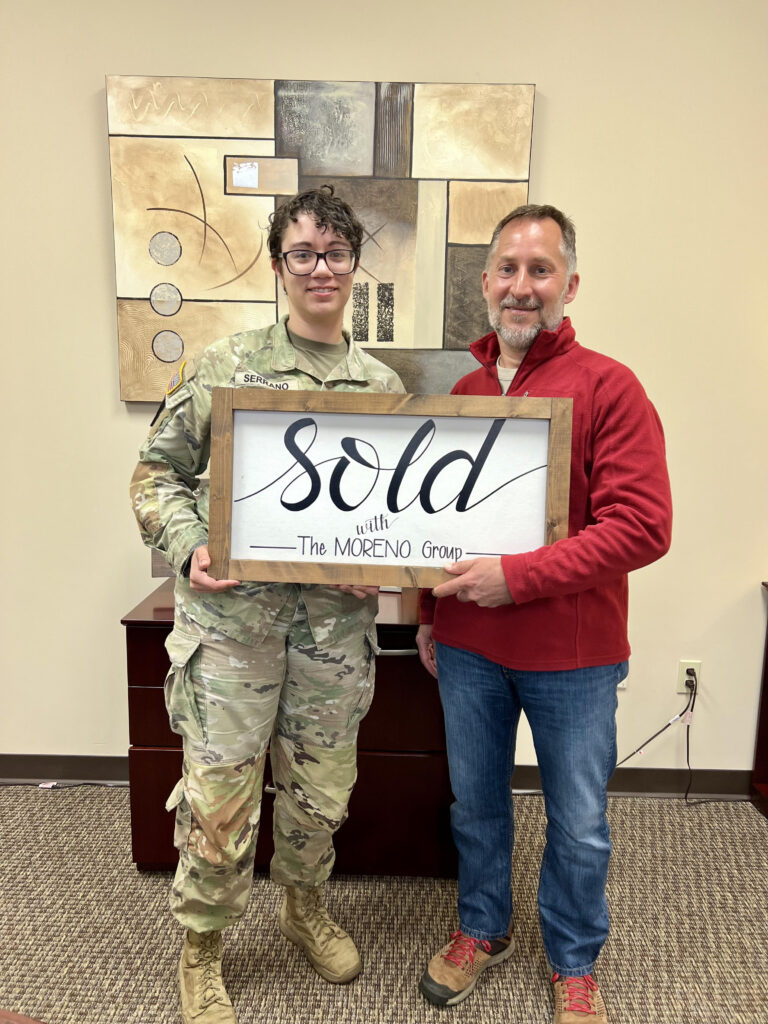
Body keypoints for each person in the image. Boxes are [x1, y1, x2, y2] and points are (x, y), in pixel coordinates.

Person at [130, 185, 404, 1024]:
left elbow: (396, 519)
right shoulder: (224, 367)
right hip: (233, 632)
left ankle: (303, 908)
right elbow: (155, 476)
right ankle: (203, 947)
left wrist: (384, 568)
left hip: (332, 636)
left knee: (321, 794)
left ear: (356, 264)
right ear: (280, 266)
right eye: (302, 254)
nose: (320, 268)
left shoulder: (383, 387)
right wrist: (190, 544)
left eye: (335, 252)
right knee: (219, 801)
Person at [415, 204, 672, 1023]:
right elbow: (434, 520)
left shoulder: (610, 386)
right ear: (484, 282)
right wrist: (429, 611)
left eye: (540, 270)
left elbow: (643, 526)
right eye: (507, 270)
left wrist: (518, 579)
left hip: (575, 655)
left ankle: (573, 960)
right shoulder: (459, 391)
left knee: (581, 822)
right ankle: (482, 930)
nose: (521, 287)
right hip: (467, 649)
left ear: (570, 283)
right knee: (476, 804)